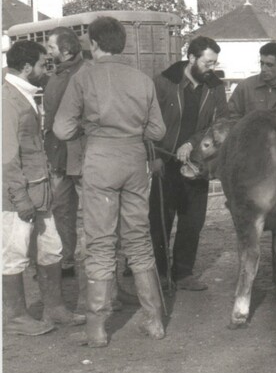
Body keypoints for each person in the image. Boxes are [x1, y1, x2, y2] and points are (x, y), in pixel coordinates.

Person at [54, 17, 167, 347]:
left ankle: (97, 329)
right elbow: (157, 131)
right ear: (122, 43)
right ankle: (154, 321)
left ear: (93, 43)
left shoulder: (83, 77)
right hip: (134, 161)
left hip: (100, 161)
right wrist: (132, 132)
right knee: (139, 239)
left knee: (100, 242)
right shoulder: (141, 78)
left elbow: (62, 129)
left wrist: (88, 130)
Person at [3, 40, 86, 336]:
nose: (45, 70)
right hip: (18, 197)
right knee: (13, 254)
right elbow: (7, 156)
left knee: (51, 249)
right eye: (41, 64)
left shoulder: (21, 94)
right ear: (26, 67)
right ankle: (14, 317)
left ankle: (55, 307)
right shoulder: (6, 99)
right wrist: (20, 198)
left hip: (39, 191)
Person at [149, 36, 226, 292]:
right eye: (207, 62)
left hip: (197, 163)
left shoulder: (215, 87)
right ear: (192, 58)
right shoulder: (163, 82)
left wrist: (192, 144)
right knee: (160, 220)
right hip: (165, 161)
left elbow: (218, 124)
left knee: (193, 221)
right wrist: (155, 158)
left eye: (214, 63)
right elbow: (148, 122)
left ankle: (183, 273)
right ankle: (160, 274)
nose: (211, 68)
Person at [43, 27, 87, 278]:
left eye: (51, 47)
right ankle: (66, 261)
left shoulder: (86, 73)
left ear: (67, 51)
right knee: (61, 209)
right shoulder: (56, 74)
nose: (48, 52)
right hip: (58, 155)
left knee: (92, 211)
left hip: (80, 153)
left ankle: (98, 264)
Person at [226, 42, 276, 118]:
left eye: (269, 65)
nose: (263, 69)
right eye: (262, 63)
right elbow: (231, 118)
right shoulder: (245, 87)